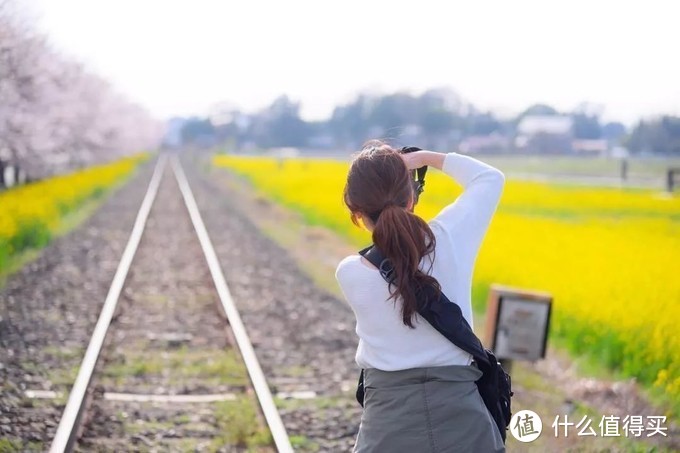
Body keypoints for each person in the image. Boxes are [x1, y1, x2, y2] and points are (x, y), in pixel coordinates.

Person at [335, 140, 506, 452]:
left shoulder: (350, 274)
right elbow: (489, 178)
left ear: (356, 214)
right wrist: (424, 158)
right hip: (464, 420)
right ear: (412, 198)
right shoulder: (449, 239)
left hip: (387, 424)